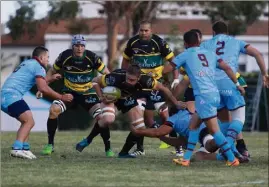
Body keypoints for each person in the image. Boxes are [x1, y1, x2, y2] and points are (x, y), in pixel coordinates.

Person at [163, 31, 246, 167]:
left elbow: (166, 70)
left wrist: (159, 73)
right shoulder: (210, 53)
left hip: (203, 96)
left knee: (214, 131)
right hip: (214, 95)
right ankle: (186, 159)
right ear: (199, 42)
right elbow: (227, 68)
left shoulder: (185, 54)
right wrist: (237, 84)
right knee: (193, 125)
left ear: (185, 44)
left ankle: (232, 159)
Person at [76, 64, 186, 158]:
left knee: (139, 128)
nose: (129, 81)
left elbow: (164, 89)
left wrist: (176, 103)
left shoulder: (146, 80)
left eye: (132, 80)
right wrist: (101, 97)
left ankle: (123, 153)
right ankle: (88, 139)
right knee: (108, 119)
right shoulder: (115, 77)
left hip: (128, 99)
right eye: (128, 78)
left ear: (139, 78)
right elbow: (95, 82)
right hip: (112, 98)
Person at [200, 21, 269, 157]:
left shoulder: (205, 44)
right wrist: (264, 74)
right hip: (231, 82)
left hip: (212, 86)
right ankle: (228, 148)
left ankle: (236, 148)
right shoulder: (236, 42)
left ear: (213, 32)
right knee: (239, 118)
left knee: (225, 121)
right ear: (227, 32)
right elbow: (257, 54)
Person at [39, 35, 115, 157]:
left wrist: (111, 89)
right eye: (77, 46)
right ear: (72, 46)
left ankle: (107, 149)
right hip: (70, 93)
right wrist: (43, 85)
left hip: (88, 93)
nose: (79, 48)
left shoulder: (92, 57)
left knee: (102, 118)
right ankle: (50, 145)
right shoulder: (64, 56)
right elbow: (52, 71)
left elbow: (107, 73)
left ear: (85, 47)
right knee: (53, 110)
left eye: (82, 46)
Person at [1, 46, 73, 159]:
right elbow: (42, 88)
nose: (48, 60)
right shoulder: (38, 67)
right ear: (41, 57)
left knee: (27, 120)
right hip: (11, 96)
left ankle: (25, 149)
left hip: (6, 96)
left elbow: (34, 83)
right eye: (47, 57)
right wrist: (61, 96)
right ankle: (17, 148)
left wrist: (49, 79)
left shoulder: (28, 63)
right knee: (29, 121)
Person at [121, 20, 180, 156]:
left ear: (151, 31)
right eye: (141, 30)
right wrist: (125, 77)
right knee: (141, 118)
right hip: (139, 86)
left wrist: (176, 79)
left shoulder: (159, 42)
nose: (143, 33)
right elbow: (125, 60)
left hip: (156, 85)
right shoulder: (132, 43)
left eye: (146, 30)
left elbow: (173, 61)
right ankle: (140, 149)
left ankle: (178, 147)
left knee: (165, 115)